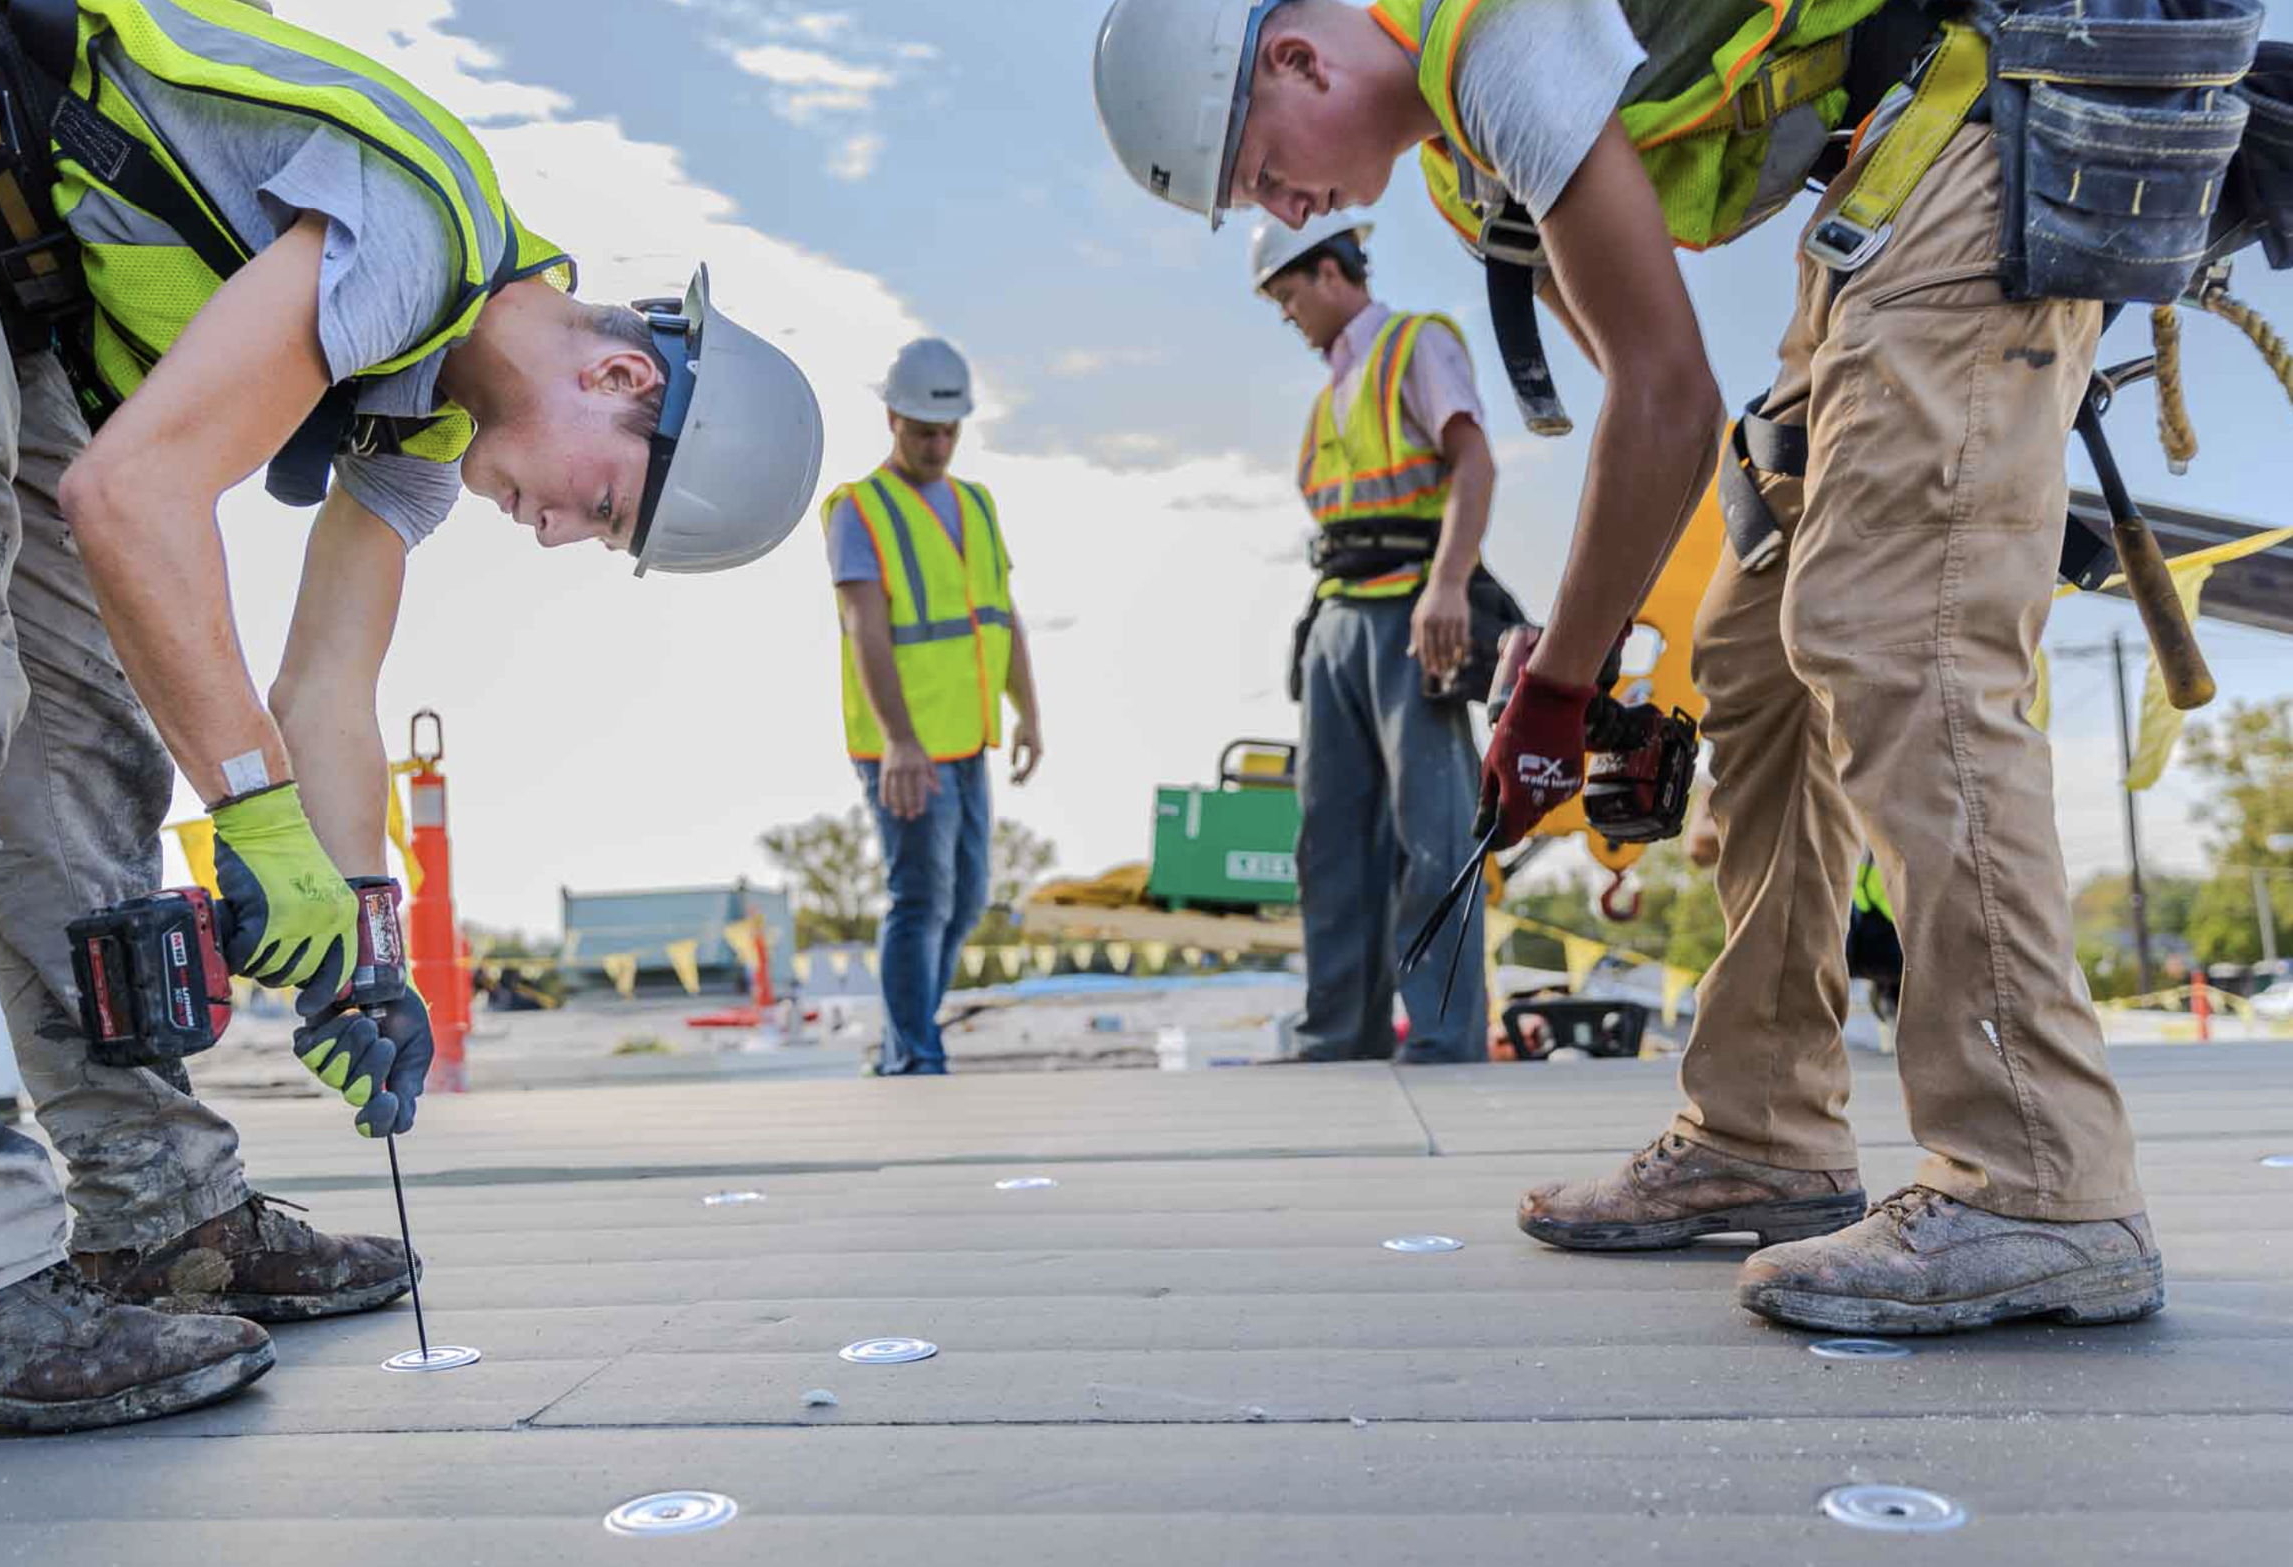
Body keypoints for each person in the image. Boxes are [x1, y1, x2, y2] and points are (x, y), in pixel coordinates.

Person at [0, 0, 824, 1441]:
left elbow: (323, 687)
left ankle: (159, 1215)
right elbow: (134, 499)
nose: (554, 535)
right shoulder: (423, 230)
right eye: (600, 506)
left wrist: (360, 944)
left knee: (84, 728)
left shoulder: (422, 425)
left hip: (8, 267)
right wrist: (252, 811)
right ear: (622, 374)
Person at [1091, 0, 2204, 1334]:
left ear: (1294, 59)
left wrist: (1556, 690)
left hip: (1984, 126)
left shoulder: (1489, 39)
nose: (1280, 208)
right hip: (1888, 184)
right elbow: (1652, 396)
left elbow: (1668, 402)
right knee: (1752, 643)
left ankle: (2043, 1177)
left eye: (1258, 169)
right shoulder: (1463, 152)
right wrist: (1577, 666)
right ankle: (1766, 1126)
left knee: (1897, 622)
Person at [1250, 209, 1515, 1063]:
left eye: (1289, 295)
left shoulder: (1413, 346)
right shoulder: (1334, 388)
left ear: (1331, 273)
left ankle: (1441, 1040)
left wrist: (1447, 585)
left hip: (1412, 615)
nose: (1286, 316)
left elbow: (1473, 462)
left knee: (1431, 835)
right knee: (1330, 841)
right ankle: (1338, 1033)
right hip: (1336, 620)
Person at [825, 339, 1043, 1076]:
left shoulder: (977, 504)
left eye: (949, 431)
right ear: (892, 417)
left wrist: (1029, 713)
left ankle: (903, 1042)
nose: (938, 445)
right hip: (904, 745)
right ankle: (914, 1054)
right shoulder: (861, 511)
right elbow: (867, 629)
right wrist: (900, 742)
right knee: (919, 898)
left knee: (967, 898)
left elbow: (1001, 616)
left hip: (965, 740)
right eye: (924, 430)